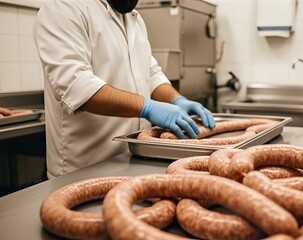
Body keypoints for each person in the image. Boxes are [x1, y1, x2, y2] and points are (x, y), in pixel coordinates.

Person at [33, 0, 216, 178]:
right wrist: (147, 108)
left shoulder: (133, 18)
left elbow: (151, 74)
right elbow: (78, 87)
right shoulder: (63, 8)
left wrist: (176, 100)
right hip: (84, 168)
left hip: (132, 161)